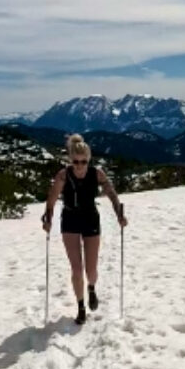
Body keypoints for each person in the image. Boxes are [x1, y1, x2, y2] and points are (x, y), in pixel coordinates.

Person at [41, 133, 127, 324]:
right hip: (70, 220)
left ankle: (91, 288)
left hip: (90, 219)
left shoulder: (97, 174)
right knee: (76, 269)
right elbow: (52, 199)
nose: (79, 165)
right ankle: (80, 306)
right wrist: (48, 219)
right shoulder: (63, 175)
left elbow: (111, 194)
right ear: (70, 160)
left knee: (91, 269)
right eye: (76, 161)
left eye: (83, 161)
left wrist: (119, 214)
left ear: (89, 160)